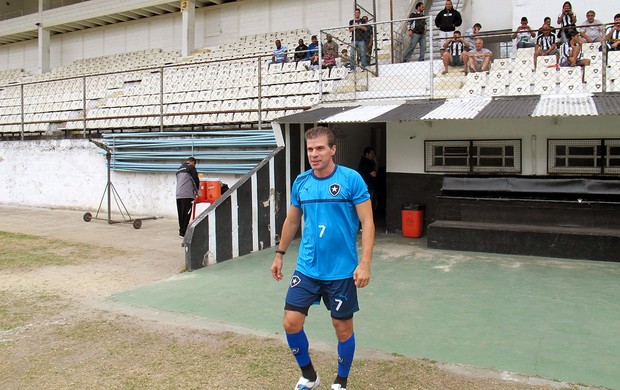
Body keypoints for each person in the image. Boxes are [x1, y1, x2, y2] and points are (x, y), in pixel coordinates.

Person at [271, 126, 375, 390]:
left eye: (320, 148)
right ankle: (309, 375)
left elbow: (368, 221)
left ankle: (341, 381)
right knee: (290, 322)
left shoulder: (351, 180)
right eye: (310, 149)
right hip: (307, 267)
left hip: (341, 272)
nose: (314, 154)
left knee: (342, 330)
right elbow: (293, 220)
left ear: (333, 149)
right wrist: (280, 254)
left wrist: (364, 263)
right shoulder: (302, 182)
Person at [176, 157, 199, 238]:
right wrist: (197, 192)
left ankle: (181, 232)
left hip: (178, 194)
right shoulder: (191, 167)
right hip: (187, 194)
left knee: (181, 213)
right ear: (193, 162)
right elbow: (195, 180)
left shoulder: (179, 169)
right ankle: (184, 233)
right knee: (186, 213)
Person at [358, 146, 378, 214]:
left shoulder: (363, 161)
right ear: (367, 154)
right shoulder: (367, 162)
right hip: (368, 186)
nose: (373, 156)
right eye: (372, 154)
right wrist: (375, 162)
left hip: (365, 185)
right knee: (369, 206)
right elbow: (374, 174)